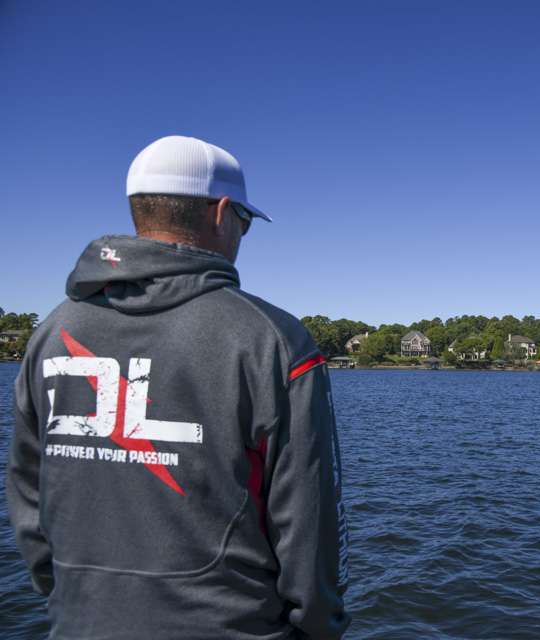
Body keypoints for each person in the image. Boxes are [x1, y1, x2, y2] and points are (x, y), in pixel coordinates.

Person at [5, 135, 349, 639]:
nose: (243, 234)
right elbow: (310, 527)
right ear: (222, 214)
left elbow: (27, 494)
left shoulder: (53, 332)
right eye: (246, 221)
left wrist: (71, 599)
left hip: (77, 623)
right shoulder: (272, 339)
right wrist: (321, 627)